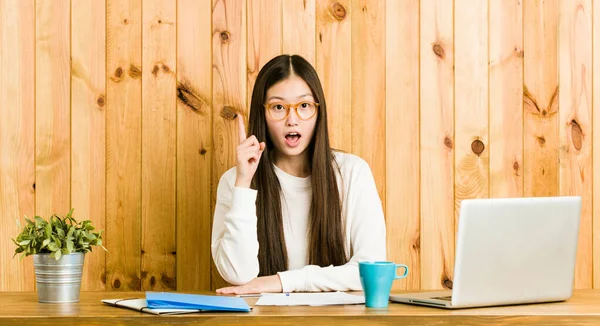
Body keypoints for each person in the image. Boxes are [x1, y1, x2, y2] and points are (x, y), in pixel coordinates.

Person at [211, 54, 386, 295]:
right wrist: (243, 184)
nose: (292, 120)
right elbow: (238, 274)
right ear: (262, 114)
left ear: (318, 111)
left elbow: (370, 271)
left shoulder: (353, 172)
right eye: (278, 107)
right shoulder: (234, 181)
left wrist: (283, 282)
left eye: (304, 106)